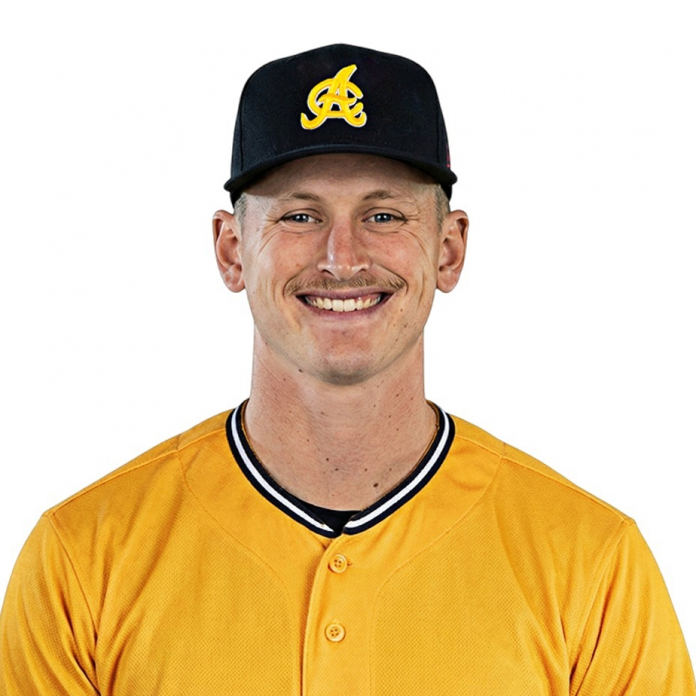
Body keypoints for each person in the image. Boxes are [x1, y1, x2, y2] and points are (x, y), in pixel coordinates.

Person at [1, 43, 693, 695]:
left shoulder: (594, 565)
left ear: (449, 249)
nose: (341, 257)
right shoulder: (82, 560)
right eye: (300, 216)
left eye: (384, 215)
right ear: (231, 249)